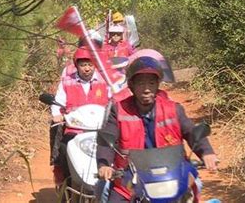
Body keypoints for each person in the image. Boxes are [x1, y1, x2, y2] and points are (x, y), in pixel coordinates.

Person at [96, 56, 218, 202]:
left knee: (194, 187)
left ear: (157, 85)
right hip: (131, 180)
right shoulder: (119, 110)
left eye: (151, 83)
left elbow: (191, 132)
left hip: (171, 176)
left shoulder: (174, 109)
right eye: (141, 83)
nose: (146, 89)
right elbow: (108, 136)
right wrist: (104, 165)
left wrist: (206, 152)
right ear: (131, 85)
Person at [50, 46, 110, 186]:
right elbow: (58, 102)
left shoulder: (104, 82)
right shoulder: (67, 82)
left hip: (100, 131)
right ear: (77, 65)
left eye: (90, 64)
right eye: (83, 65)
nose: (87, 68)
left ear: (95, 64)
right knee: (63, 151)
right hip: (74, 131)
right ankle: (66, 184)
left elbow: (115, 100)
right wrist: (57, 114)